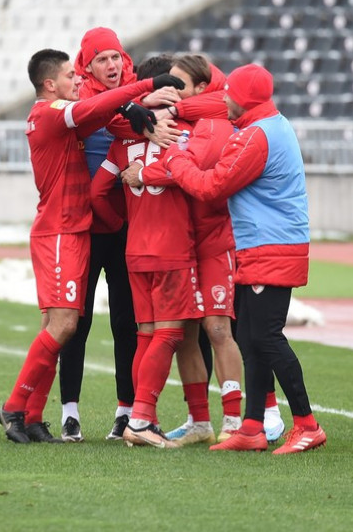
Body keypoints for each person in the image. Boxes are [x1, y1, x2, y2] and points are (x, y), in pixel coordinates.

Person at [0, 47, 184, 444]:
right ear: (50, 84)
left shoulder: (60, 117)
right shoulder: (50, 112)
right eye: (70, 75)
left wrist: (137, 104)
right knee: (65, 324)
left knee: (56, 326)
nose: (78, 79)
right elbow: (91, 108)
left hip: (69, 229)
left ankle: (30, 415)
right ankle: (15, 406)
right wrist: (146, 85)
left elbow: (102, 115)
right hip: (60, 231)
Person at [163, 64, 327, 454]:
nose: (224, 99)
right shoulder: (269, 121)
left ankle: (307, 425)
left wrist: (173, 158)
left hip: (271, 245)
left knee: (266, 338)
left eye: (229, 93)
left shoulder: (255, 137)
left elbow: (211, 186)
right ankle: (252, 426)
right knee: (250, 338)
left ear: (245, 98)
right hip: (264, 244)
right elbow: (211, 105)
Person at [56, 27, 183, 442]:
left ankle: (126, 411)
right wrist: (141, 113)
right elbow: (107, 117)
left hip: (126, 224)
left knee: (129, 323)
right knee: (76, 320)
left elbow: (128, 120)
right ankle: (69, 411)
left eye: (115, 57)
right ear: (85, 65)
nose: (110, 66)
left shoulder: (133, 93)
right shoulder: (81, 94)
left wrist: (145, 110)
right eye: (101, 60)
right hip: (83, 226)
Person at [122, 54, 246, 445]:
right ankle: (199, 421)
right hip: (181, 245)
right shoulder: (170, 121)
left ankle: (234, 421)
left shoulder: (213, 122)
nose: (169, 90)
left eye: (178, 84)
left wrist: (143, 173)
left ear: (199, 89)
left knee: (218, 328)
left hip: (212, 241)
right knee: (186, 334)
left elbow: (194, 167)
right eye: (166, 83)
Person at [91, 54, 202, 448]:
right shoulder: (181, 133)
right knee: (170, 335)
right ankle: (140, 419)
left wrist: (120, 222)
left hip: (135, 248)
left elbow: (97, 191)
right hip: (172, 248)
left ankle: (142, 419)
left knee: (146, 336)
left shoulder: (125, 140)